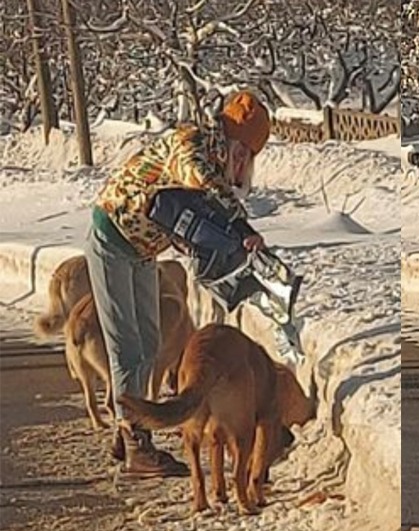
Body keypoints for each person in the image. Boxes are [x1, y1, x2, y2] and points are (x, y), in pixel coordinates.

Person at [86, 90, 294, 478]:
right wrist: (238, 224)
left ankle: (127, 426)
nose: (244, 165)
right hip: (111, 237)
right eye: (246, 155)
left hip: (141, 250)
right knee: (127, 346)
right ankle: (136, 447)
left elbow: (197, 206)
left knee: (149, 341)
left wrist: (235, 237)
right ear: (238, 146)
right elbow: (200, 180)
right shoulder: (190, 142)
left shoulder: (213, 154)